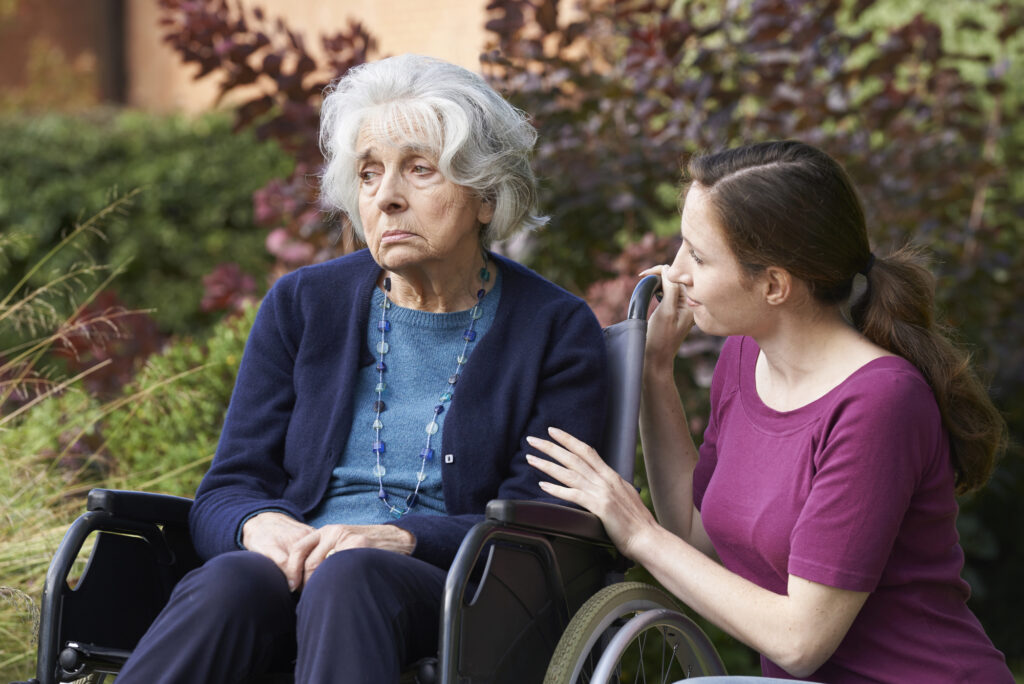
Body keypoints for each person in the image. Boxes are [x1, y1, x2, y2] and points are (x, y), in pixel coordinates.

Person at [116, 54, 607, 683]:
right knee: (234, 578)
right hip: (296, 568)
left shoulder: (555, 329)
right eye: (369, 175)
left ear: (485, 195)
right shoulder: (301, 304)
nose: (387, 197)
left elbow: (542, 523)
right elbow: (227, 488)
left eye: (419, 170)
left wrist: (406, 539)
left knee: (352, 575)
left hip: (462, 595)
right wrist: (256, 524)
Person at [526, 140, 1012, 683]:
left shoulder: (879, 404)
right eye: (681, 245)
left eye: (701, 257)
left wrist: (636, 531)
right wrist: (655, 373)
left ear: (775, 284)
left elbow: (799, 642)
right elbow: (692, 532)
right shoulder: (743, 358)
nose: (675, 272)